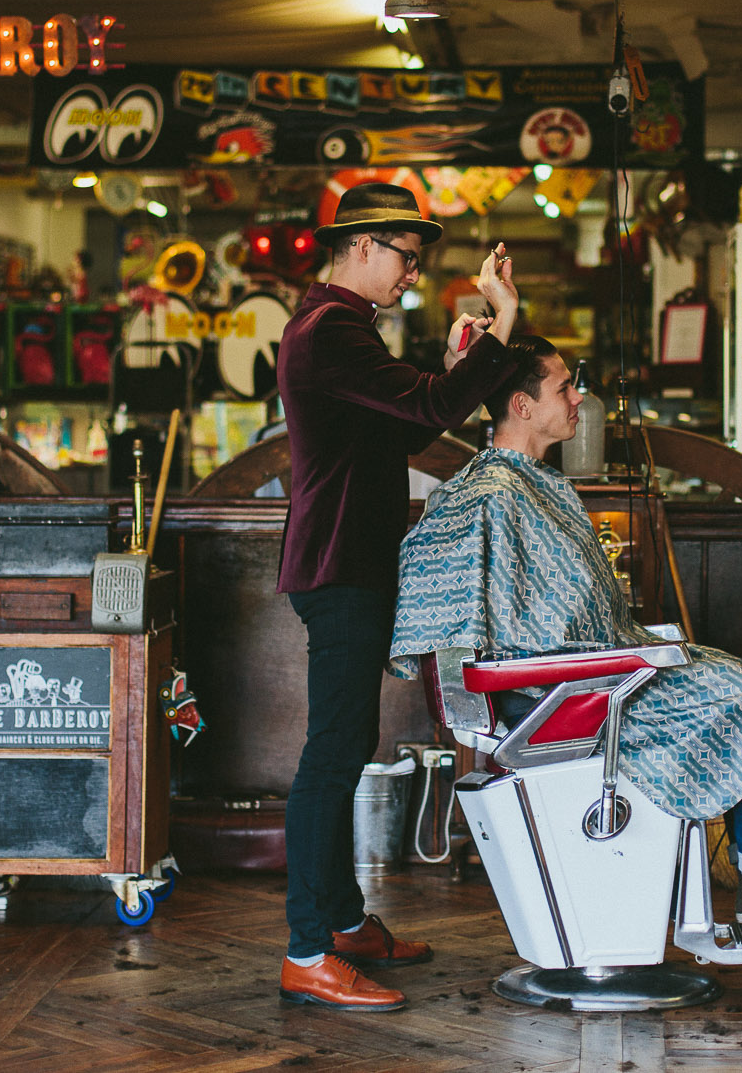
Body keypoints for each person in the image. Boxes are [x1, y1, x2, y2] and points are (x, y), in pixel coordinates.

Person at [391, 337, 742, 946]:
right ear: (521, 406)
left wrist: (630, 646)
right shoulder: (495, 496)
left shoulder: (522, 485)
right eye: (563, 388)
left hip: (581, 676)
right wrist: (628, 653)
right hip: (560, 697)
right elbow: (519, 633)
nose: (579, 398)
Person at [274, 181, 521, 1013]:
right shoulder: (330, 329)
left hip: (349, 559)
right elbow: (433, 408)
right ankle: (309, 948)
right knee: (332, 754)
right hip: (338, 562)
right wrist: (502, 327)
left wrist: (453, 368)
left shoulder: (340, 329)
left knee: (345, 745)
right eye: (406, 257)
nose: (411, 275)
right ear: (361, 245)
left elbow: (409, 426)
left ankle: (342, 922)